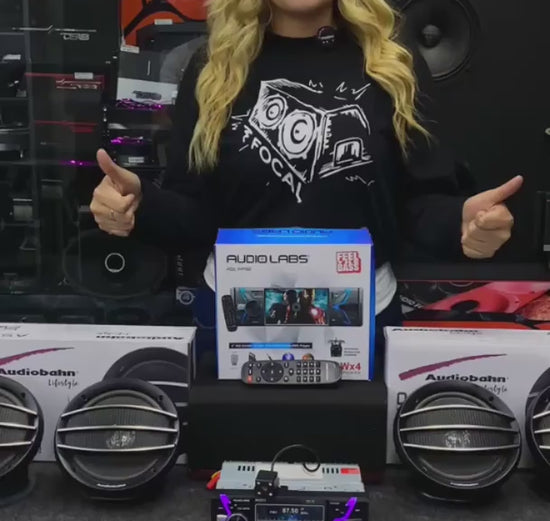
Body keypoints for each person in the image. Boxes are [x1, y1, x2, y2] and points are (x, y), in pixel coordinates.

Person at [90, 0, 521, 340]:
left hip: (359, 312)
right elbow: (194, 212)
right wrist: (140, 204)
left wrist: (462, 222)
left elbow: (418, 203)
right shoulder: (215, 70)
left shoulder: (394, 68)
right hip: (236, 313)